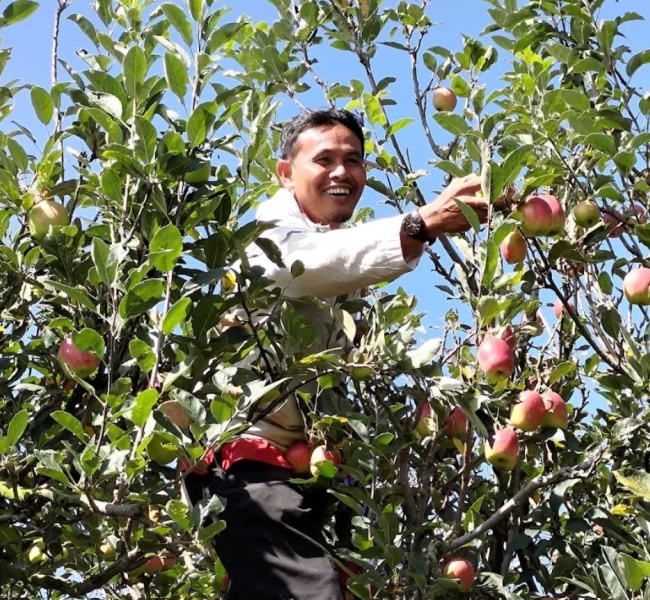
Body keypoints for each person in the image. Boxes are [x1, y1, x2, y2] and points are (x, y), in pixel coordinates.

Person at [183, 108, 490, 599]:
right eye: (323, 159)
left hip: (309, 469)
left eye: (354, 160)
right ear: (285, 173)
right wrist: (420, 223)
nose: (342, 172)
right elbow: (308, 265)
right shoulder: (263, 237)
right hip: (246, 468)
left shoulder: (332, 246)